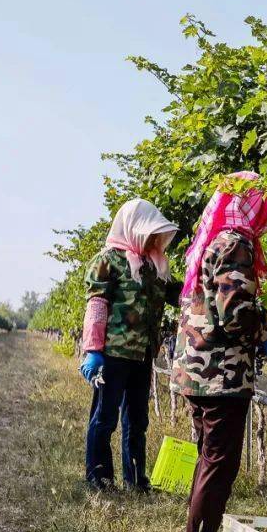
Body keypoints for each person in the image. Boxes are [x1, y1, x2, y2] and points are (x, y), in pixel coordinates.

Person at [171, 172, 267, 532]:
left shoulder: (213, 242)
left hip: (198, 372)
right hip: (220, 376)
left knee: (208, 458)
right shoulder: (236, 243)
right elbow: (235, 314)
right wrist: (265, 333)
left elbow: (221, 303)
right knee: (218, 463)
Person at [79, 198, 181, 492]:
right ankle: (99, 478)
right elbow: (97, 306)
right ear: (133, 228)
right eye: (149, 232)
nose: (153, 238)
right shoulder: (108, 261)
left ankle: (136, 480)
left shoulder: (155, 266)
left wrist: (202, 284)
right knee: (105, 418)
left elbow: (177, 294)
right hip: (112, 354)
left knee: (137, 420)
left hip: (143, 354)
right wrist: (93, 351)